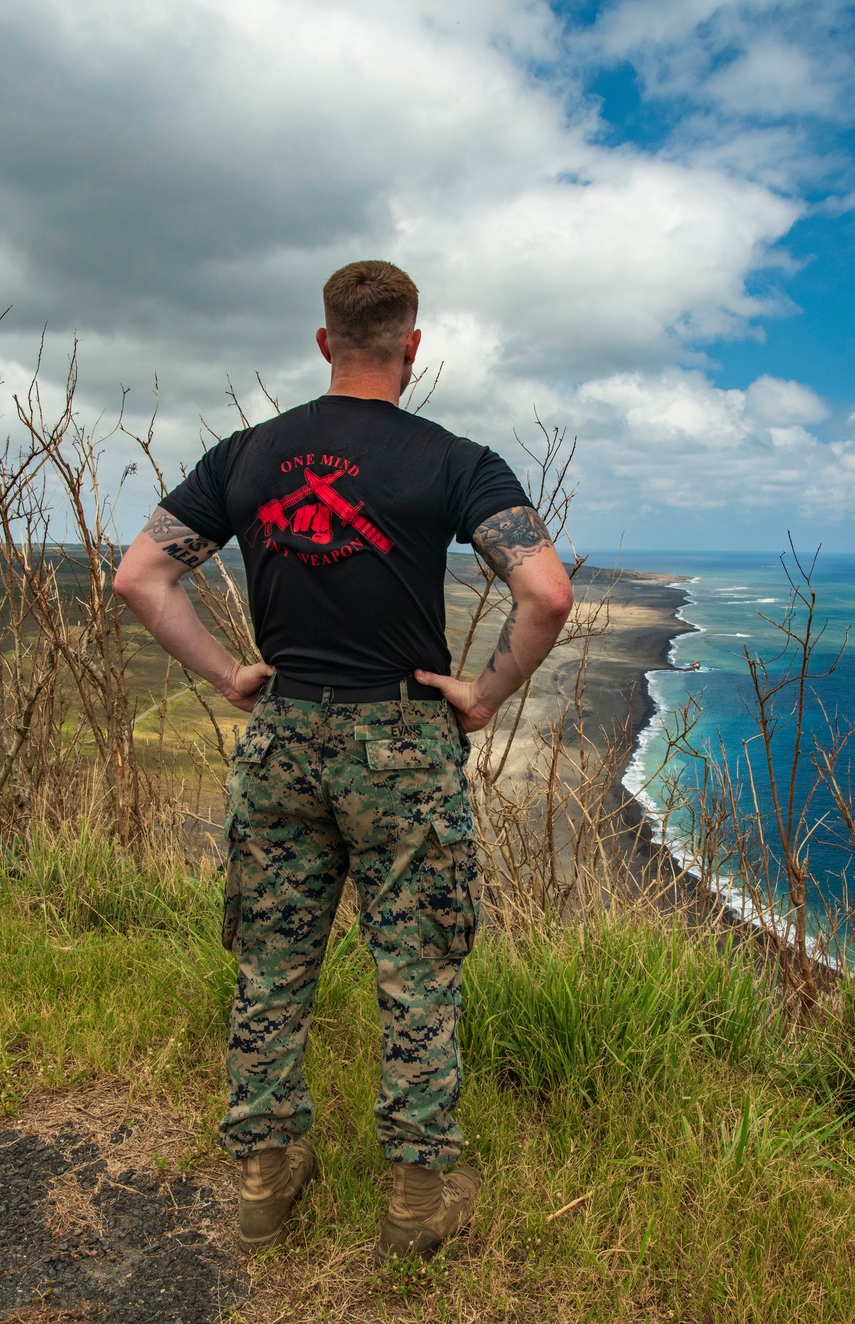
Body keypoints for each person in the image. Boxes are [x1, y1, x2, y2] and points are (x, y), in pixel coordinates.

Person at [113, 260, 574, 1263]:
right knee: (417, 967)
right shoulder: (456, 461)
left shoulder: (245, 455)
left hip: (283, 736)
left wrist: (233, 672)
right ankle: (415, 1199)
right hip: (402, 741)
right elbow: (545, 594)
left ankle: (264, 1179)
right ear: (412, 345)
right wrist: (484, 695)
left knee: (272, 961)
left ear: (324, 343)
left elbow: (140, 574)